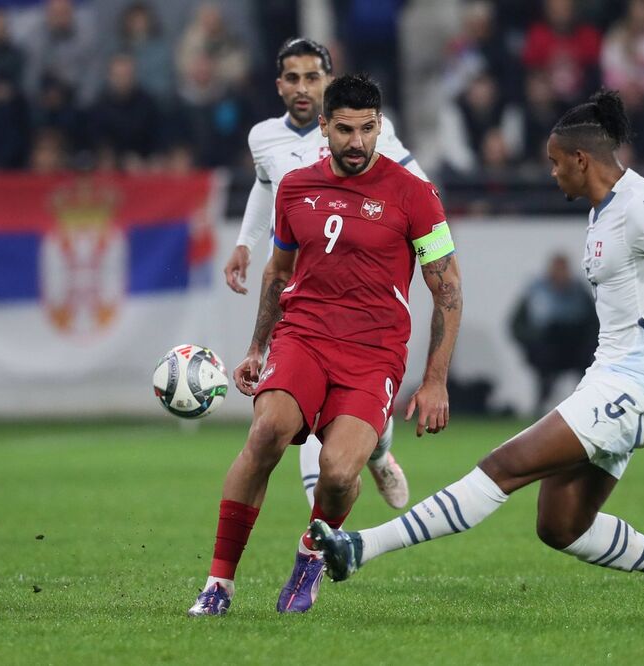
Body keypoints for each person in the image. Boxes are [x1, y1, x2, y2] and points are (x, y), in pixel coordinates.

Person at [312, 90, 644, 621]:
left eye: (553, 163)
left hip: (641, 384)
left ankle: (362, 547)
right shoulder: (602, 213)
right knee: (561, 524)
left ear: (580, 159)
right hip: (614, 378)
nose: (551, 173)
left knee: (504, 466)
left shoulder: (643, 206)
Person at [187, 73, 463, 616]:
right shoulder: (295, 188)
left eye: (367, 129)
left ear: (380, 126)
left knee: (338, 473)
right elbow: (278, 271)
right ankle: (218, 584)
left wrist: (434, 380)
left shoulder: (415, 194)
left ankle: (309, 554)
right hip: (303, 337)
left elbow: (448, 288)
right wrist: (256, 347)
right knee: (266, 432)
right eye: (344, 130)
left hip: (373, 354)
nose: (357, 142)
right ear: (324, 128)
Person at [224, 38, 432, 512]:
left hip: (355, 296)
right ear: (279, 86)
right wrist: (244, 243)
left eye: (312, 76)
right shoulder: (264, 138)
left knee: (346, 431)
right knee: (297, 430)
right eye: (293, 78)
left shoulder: (359, 131)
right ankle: (318, 539)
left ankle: (377, 454)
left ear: (329, 80)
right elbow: (265, 190)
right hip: (299, 292)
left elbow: (415, 186)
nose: (303, 87)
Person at [510, 253, 598, 416]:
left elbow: (594, 324)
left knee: (587, 371)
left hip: (576, 349)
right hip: (546, 348)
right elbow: (516, 324)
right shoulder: (536, 293)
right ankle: (540, 409)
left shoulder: (580, 293)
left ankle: (584, 409)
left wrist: (590, 346)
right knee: (545, 371)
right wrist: (531, 343)